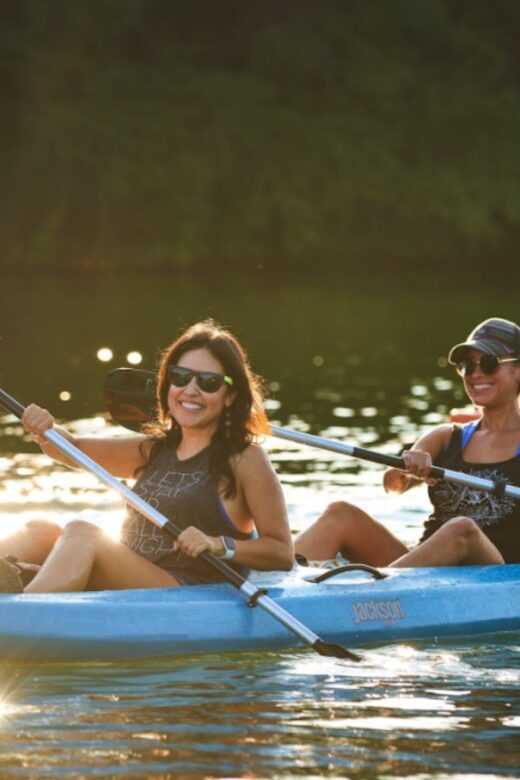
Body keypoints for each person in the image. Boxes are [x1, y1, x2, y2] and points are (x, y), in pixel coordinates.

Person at [0, 320, 294, 592]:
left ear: (230, 395)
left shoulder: (246, 459)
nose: (190, 390)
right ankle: (22, 582)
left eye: (208, 382)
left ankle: (20, 614)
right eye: (180, 377)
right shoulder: (152, 450)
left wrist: (219, 544)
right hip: (130, 575)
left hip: (184, 589)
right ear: (168, 385)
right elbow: (72, 449)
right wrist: (45, 429)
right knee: (40, 530)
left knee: (83, 532)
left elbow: (281, 552)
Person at [295, 317, 520, 567]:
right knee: (340, 514)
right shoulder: (446, 437)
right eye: (467, 365)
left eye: (489, 364)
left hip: (498, 578)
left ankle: (378, 593)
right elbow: (392, 484)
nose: (476, 374)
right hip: (423, 570)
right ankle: (268, 590)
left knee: (462, 530)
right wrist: (408, 468)